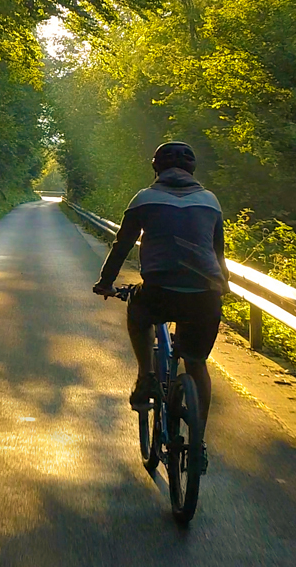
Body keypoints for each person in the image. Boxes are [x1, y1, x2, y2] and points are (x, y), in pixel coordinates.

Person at [92, 141, 225, 425]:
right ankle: (198, 438)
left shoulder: (144, 199)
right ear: (192, 169)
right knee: (197, 362)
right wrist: (221, 287)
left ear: (156, 167)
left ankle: (145, 376)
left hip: (160, 291)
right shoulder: (210, 201)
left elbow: (122, 245)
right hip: (205, 296)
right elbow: (218, 254)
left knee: (138, 314)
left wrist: (106, 282)